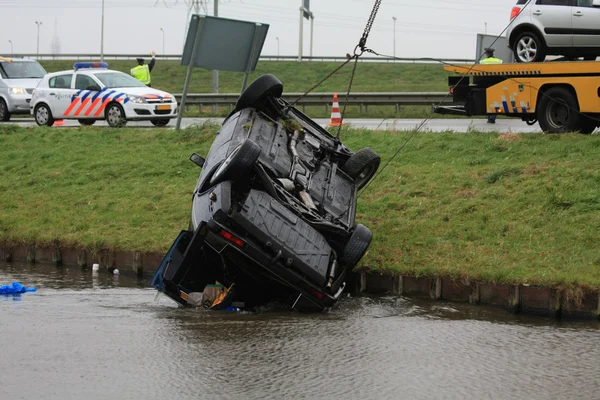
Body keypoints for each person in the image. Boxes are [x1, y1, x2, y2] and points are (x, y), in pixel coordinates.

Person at [480, 48, 503, 123]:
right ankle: (493, 117)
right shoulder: (499, 61)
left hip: (486, 84)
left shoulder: (482, 62)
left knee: (488, 101)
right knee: (495, 101)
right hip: (496, 84)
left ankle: (489, 117)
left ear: (486, 54)